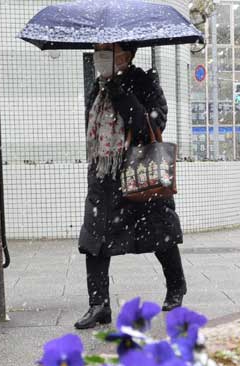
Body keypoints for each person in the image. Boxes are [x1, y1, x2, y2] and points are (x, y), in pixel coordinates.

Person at [75, 43, 187, 330]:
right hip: (104, 175)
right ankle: (98, 304)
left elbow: (148, 124)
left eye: (107, 51)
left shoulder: (144, 81)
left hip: (138, 173)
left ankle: (176, 287)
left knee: (159, 234)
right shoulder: (97, 87)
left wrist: (121, 93)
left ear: (127, 55)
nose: (101, 57)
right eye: (98, 51)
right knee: (94, 240)